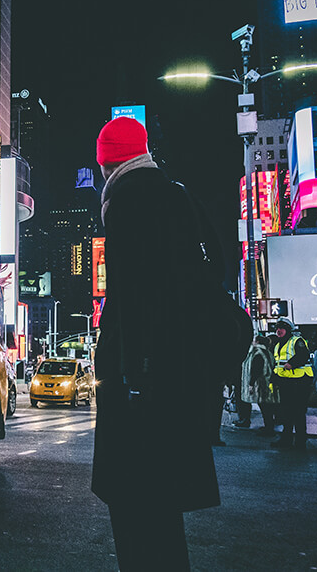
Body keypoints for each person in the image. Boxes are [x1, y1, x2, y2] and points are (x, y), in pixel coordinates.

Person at [92, 117, 246, 571]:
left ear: (106, 164)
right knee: (163, 519)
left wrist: (130, 377)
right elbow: (214, 269)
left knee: (135, 518)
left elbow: (133, 304)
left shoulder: (125, 203)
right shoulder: (180, 195)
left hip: (142, 391)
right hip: (181, 384)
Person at [271, 318, 313, 450]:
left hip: (300, 382)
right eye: (277, 328)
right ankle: (286, 439)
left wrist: (292, 364)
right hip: (286, 382)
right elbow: (277, 365)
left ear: (288, 330)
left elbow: (304, 355)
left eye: (282, 328)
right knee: (286, 413)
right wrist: (274, 380)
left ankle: (300, 441)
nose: (279, 331)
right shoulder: (278, 345)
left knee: (298, 412)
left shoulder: (297, 341)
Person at [241, 335, 278, 434]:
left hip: (261, 384)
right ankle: (268, 426)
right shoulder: (268, 352)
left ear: (257, 342)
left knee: (265, 407)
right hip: (268, 382)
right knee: (267, 407)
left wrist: (251, 384)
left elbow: (256, 370)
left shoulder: (258, 353)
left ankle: (269, 428)